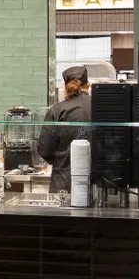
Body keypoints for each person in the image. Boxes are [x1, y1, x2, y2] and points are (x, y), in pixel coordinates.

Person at [36, 65, 94, 193]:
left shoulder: (57, 110)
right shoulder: (101, 107)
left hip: (64, 183)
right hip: (98, 185)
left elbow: (44, 149)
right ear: (88, 85)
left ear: (65, 87)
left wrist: (62, 161)